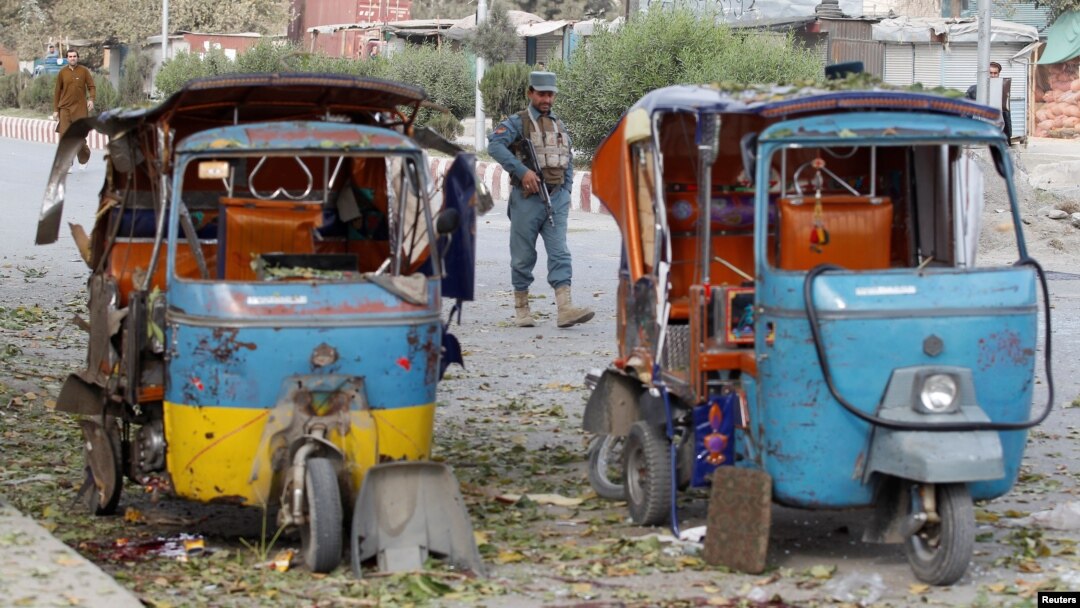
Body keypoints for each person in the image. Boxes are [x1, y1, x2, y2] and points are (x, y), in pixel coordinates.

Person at [488, 71, 594, 329]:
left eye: (550, 94)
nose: (547, 99)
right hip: (527, 200)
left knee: (560, 253)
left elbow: (566, 157)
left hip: (556, 199)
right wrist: (521, 171)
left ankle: (565, 308)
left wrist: (567, 190)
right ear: (530, 93)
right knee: (523, 257)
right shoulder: (517, 123)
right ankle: (522, 308)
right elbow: (495, 146)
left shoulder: (559, 125)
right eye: (542, 94)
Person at [51, 49, 95, 171]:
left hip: (80, 110)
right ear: (67, 58)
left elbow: (91, 86)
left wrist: (91, 99)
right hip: (65, 109)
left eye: (74, 56)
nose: (72, 58)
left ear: (77, 58)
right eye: (70, 56)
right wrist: (56, 110)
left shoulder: (84, 71)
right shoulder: (62, 72)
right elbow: (57, 92)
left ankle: (84, 158)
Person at [966, 61, 1012, 140]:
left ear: (998, 74)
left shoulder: (1002, 90)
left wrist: (1008, 135)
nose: (993, 75)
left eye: (995, 73)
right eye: (990, 73)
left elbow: (1006, 114)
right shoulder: (974, 90)